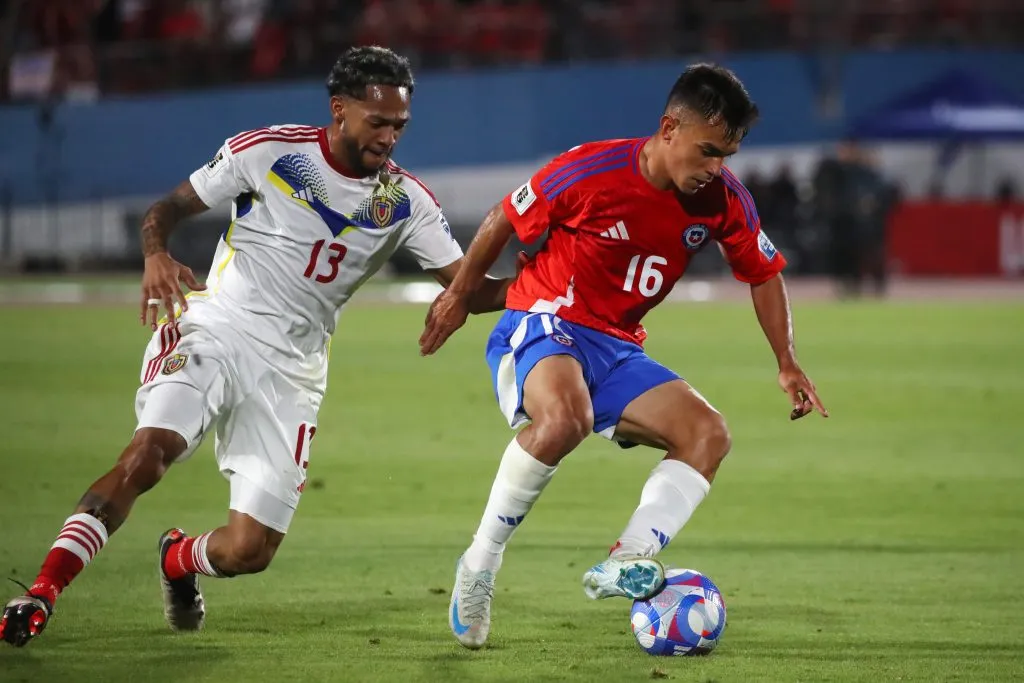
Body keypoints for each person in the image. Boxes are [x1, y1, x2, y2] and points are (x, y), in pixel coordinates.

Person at [1, 46, 514, 648]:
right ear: (339, 109)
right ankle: (41, 592)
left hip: (293, 371)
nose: (389, 137)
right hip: (217, 328)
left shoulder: (404, 201)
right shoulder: (270, 152)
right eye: (378, 121)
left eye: (399, 124)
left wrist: (554, 278)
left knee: (250, 551)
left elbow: (471, 288)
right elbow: (167, 208)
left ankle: (178, 558)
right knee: (150, 453)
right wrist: (156, 253)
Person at [419, 63, 829, 650]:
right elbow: (505, 217)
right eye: (708, 151)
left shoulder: (724, 200)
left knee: (708, 434)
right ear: (669, 128)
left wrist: (786, 362)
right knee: (566, 420)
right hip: (545, 319)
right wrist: (459, 297)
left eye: (727, 156)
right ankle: (480, 563)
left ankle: (627, 557)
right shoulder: (592, 169)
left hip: (616, 344)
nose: (716, 168)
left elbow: (763, 272)